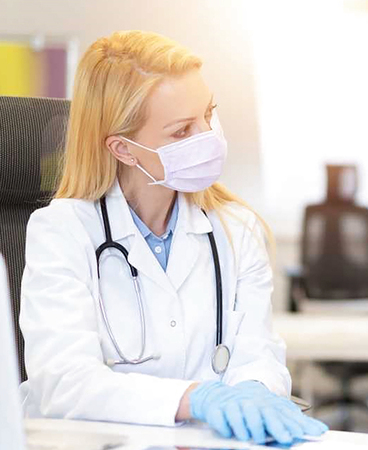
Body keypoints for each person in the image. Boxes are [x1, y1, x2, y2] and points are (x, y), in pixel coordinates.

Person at [18, 30, 328, 446]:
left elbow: (259, 355)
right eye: (182, 131)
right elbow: (64, 383)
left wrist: (254, 388)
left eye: (209, 114)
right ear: (123, 149)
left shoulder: (236, 229)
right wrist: (195, 399)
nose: (208, 136)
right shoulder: (62, 231)